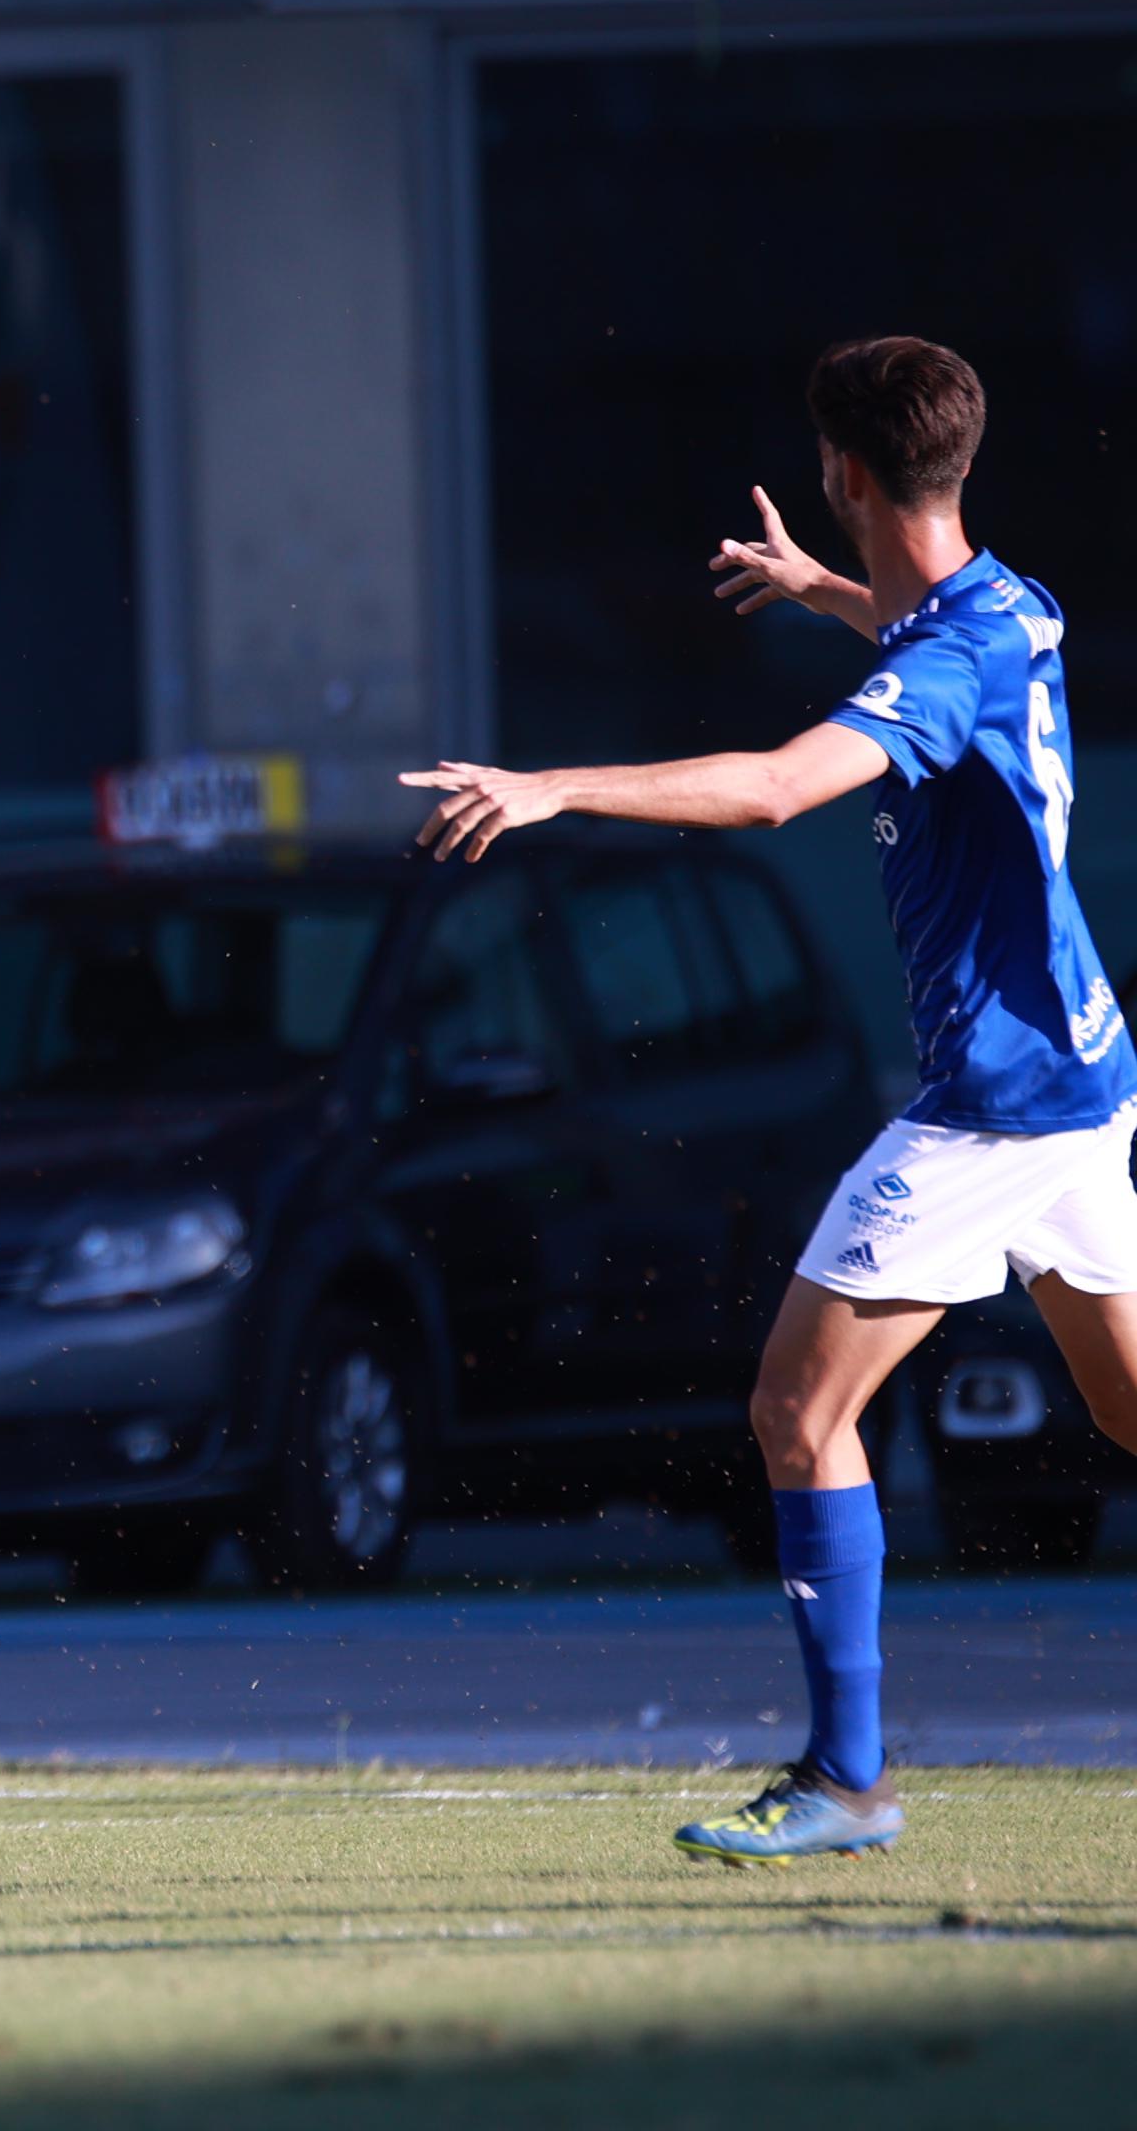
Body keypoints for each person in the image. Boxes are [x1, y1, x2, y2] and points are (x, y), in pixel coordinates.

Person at [404, 337, 1137, 1864]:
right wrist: (827, 593)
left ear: (846, 473)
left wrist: (553, 788)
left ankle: (848, 1781)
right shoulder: (1009, 605)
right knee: (1131, 1411)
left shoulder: (943, 655)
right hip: (1079, 1079)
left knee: (798, 1413)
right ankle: (846, 1778)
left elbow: (772, 788)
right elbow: (925, 632)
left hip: (997, 1105)